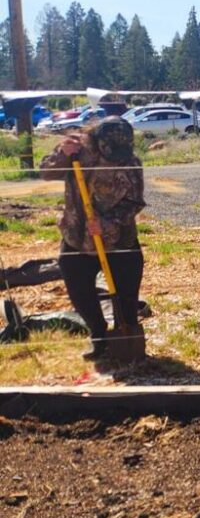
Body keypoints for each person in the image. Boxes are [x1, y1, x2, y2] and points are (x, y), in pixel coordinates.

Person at [39, 117, 146, 360]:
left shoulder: (130, 163)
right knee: (79, 290)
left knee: (126, 293)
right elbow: (46, 172)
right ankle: (99, 336)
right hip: (77, 236)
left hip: (119, 239)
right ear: (96, 141)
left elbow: (134, 203)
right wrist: (61, 154)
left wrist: (107, 223)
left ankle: (126, 338)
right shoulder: (77, 152)